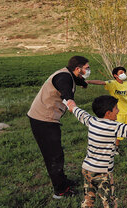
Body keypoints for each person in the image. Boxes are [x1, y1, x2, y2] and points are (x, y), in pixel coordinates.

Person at [28, 55, 90, 199]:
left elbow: (75, 79)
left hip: (46, 118)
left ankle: (63, 181)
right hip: (43, 120)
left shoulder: (68, 74)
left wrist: (83, 82)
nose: (88, 70)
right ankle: (60, 191)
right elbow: (66, 92)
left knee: (57, 153)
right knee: (54, 156)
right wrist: (72, 105)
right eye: (86, 68)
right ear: (77, 68)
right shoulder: (64, 78)